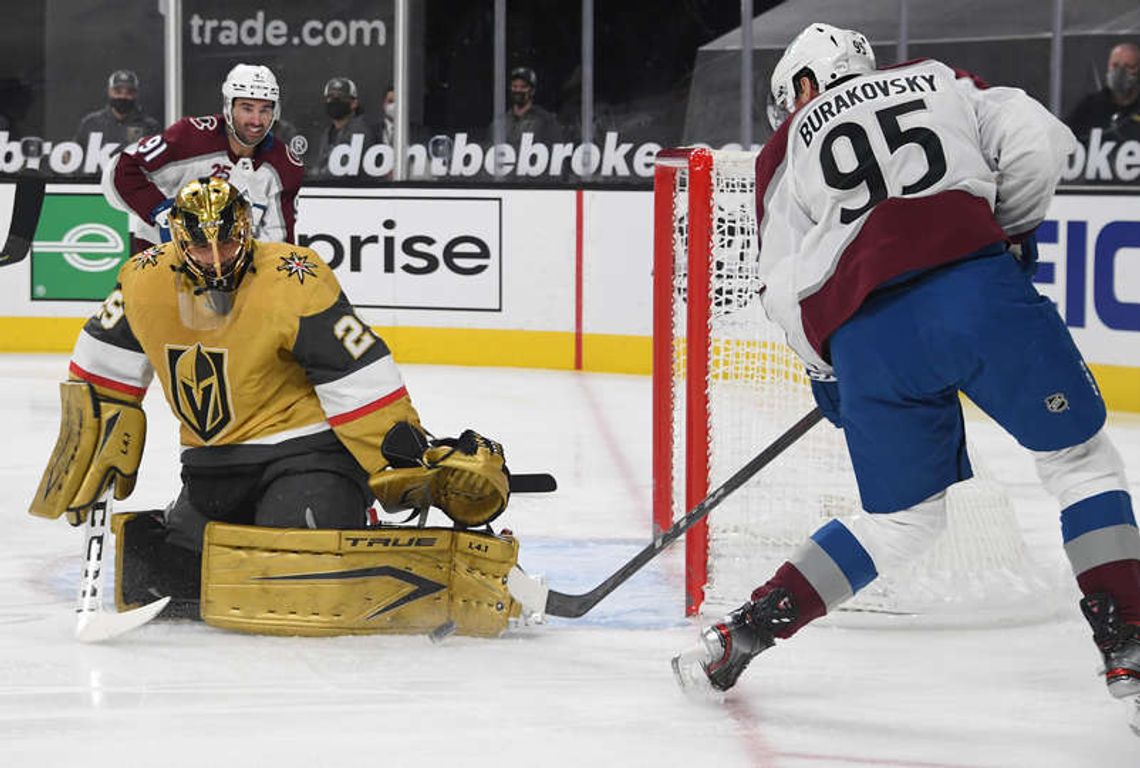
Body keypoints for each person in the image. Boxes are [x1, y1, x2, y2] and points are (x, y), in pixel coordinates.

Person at [672, 23, 1140, 709]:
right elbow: (1039, 137)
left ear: (804, 85)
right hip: (975, 295)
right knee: (1078, 462)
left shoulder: (783, 150)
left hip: (871, 340)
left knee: (902, 520)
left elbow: (782, 289)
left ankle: (742, 632)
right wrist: (1007, 230)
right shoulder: (935, 76)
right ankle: (1128, 646)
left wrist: (829, 369)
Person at [29, 176, 513, 632]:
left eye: (228, 242)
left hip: (305, 454)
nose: (216, 259)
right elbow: (100, 374)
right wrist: (88, 436)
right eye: (201, 244)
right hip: (211, 468)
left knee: (294, 561)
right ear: (177, 238)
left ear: (246, 230)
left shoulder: (293, 278)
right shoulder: (141, 279)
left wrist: (403, 457)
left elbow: (356, 377)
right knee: (168, 577)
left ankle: (350, 509)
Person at [102, 63, 304, 253]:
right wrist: (162, 211)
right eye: (247, 108)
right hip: (162, 263)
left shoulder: (284, 166)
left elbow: (280, 247)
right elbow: (121, 170)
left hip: (234, 277)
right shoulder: (189, 137)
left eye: (265, 109)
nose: (256, 121)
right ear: (228, 107)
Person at [1065, 42, 1140, 143]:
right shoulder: (1090, 107)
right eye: (1115, 65)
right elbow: (1065, 137)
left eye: (1129, 67)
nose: (1120, 72)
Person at [74, 70, 161, 154]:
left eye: (129, 92)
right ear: (109, 92)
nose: (123, 96)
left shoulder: (150, 127)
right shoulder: (91, 123)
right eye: (118, 91)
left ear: (136, 94)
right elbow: (73, 157)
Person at [311, 76, 379, 179]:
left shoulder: (360, 132)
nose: (334, 101)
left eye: (340, 98)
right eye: (330, 97)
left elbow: (344, 170)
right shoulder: (328, 133)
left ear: (354, 103)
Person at [490, 66, 563, 149]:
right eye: (514, 86)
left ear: (532, 91)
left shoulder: (546, 120)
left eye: (523, 87)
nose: (518, 90)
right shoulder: (500, 122)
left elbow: (557, 151)